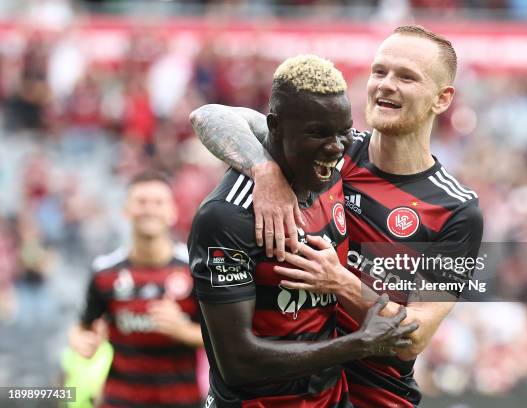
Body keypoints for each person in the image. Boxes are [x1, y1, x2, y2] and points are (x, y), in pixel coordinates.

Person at [189, 26, 483, 407]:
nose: (386, 85)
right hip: (293, 392)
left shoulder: (458, 210)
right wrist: (264, 170)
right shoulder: (330, 152)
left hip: (378, 396)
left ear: (442, 99)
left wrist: (341, 281)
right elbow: (210, 116)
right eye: (380, 72)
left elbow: (414, 337)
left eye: (406, 76)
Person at [68, 171, 204, 408]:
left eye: (158, 202)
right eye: (141, 202)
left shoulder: (196, 269)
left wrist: (182, 330)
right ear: (126, 210)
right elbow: (83, 327)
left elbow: (222, 337)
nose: (149, 209)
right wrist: (81, 340)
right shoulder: (105, 272)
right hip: (120, 400)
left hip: (183, 400)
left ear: (172, 212)